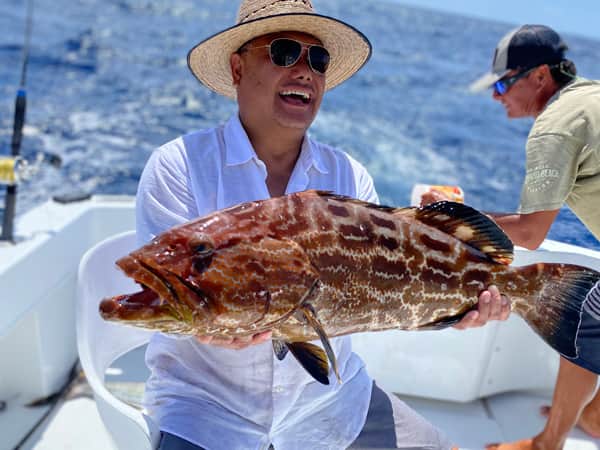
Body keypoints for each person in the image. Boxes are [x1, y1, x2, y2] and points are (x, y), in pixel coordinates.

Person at [135, 1, 509, 449]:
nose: (304, 71)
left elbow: (390, 287)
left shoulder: (349, 176)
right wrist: (211, 326)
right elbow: (175, 297)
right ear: (237, 68)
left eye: (318, 59)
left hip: (331, 404)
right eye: (284, 52)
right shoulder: (179, 166)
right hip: (206, 410)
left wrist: (454, 309)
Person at [422, 24, 600, 450]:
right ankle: (591, 417)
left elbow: (531, 233)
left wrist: (449, 217)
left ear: (540, 77)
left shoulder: (554, 127)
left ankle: (548, 444)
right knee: (590, 320)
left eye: (503, 83)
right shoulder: (591, 95)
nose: (496, 95)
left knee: (580, 319)